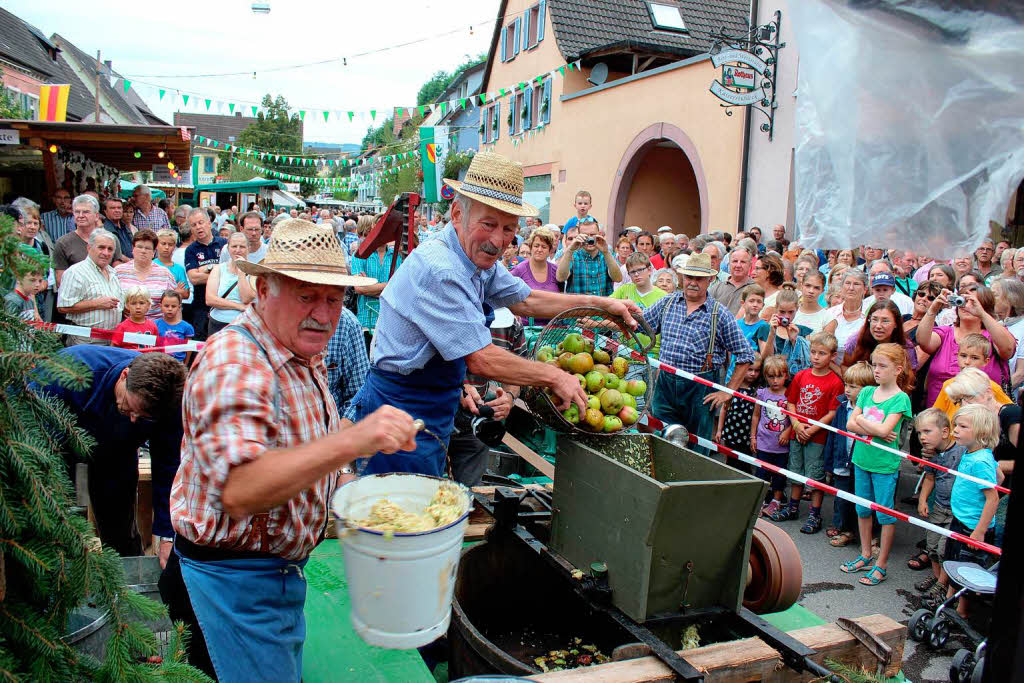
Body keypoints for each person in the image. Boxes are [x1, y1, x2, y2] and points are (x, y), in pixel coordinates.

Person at [165, 216, 419, 681]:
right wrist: (351, 442)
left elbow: (295, 442)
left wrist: (342, 476)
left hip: (271, 577)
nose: (324, 314)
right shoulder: (236, 360)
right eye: (306, 295)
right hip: (232, 585)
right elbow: (241, 489)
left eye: (334, 298)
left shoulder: (295, 350)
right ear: (263, 290)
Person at [345, 152, 638, 477]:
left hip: (437, 403)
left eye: (509, 229)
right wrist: (555, 376)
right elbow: (482, 359)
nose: (498, 241)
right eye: (488, 225)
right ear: (457, 214)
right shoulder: (441, 269)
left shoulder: (475, 258)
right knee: (398, 514)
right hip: (399, 410)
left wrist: (601, 305)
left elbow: (525, 301)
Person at [32, 347, 185, 557]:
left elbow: (169, 467)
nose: (133, 419)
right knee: (57, 524)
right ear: (124, 376)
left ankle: (124, 578)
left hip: (117, 456)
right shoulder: (66, 371)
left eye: (143, 417)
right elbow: (34, 446)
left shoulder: (170, 402)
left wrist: (166, 534)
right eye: (131, 408)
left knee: (120, 529)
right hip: (56, 448)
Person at [642, 253, 754, 443]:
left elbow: (745, 355)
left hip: (700, 390)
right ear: (682, 278)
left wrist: (728, 391)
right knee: (662, 440)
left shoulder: (719, 313)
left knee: (696, 445)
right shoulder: (667, 303)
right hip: (665, 384)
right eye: (689, 277)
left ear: (710, 280)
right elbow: (638, 325)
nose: (693, 282)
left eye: (699, 279)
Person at [840, 343, 914, 587]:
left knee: (884, 514)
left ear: (898, 369)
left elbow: (884, 429)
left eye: (883, 366)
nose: (877, 371)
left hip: (884, 464)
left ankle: (881, 565)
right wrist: (871, 427)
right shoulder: (866, 392)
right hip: (861, 458)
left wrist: (863, 421)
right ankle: (865, 554)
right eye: (875, 365)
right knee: (862, 509)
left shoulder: (901, 399)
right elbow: (850, 425)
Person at [770, 333, 844, 532]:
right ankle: (793, 507)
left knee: (815, 475)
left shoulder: (835, 382)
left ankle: (815, 514)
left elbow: (832, 412)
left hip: (817, 436)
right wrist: (795, 424)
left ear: (833, 356)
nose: (816, 357)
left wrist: (812, 429)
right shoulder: (802, 375)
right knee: (795, 470)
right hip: (797, 432)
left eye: (822, 353)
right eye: (813, 352)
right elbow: (791, 402)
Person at [942, 404, 1000, 616]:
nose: (955, 429)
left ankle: (962, 611)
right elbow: (999, 477)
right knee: (954, 562)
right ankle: (949, 600)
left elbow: (993, 498)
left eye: (962, 426)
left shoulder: (980, 461)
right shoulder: (973, 453)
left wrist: (980, 531)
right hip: (961, 519)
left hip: (973, 526)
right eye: (956, 424)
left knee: (966, 569)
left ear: (981, 432)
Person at [915, 284, 1017, 406]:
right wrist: (933, 308)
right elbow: (922, 341)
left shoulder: (994, 335)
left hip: (981, 415)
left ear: (985, 306)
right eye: (962, 301)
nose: (966, 306)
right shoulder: (945, 333)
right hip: (940, 414)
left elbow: (1008, 349)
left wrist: (982, 314)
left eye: (973, 302)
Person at [912, 408, 964, 599]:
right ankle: (937, 580)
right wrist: (923, 499)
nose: (922, 437)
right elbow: (930, 477)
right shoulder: (931, 454)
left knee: (944, 549)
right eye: (919, 433)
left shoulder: (960, 451)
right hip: (939, 507)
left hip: (956, 510)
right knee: (932, 545)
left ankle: (943, 584)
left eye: (927, 432)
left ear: (944, 432)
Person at [824, 362, 875, 548]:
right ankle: (844, 528)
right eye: (847, 385)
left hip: (861, 463)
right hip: (841, 461)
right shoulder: (842, 408)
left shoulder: (871, 411)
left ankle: (865, 534)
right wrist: (829, 463)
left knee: (862, 499)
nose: (848, 390)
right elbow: (833, 436)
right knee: (842, 498)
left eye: (854, 386)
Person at [56, 229, 124, 345]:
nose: (106, 253)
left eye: (110, 249)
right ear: (89, 248)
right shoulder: (76, 272)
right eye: (101, 247)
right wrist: (97, 304)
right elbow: (63, 307)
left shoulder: (113, 273)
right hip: (86, 341)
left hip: (111, 340)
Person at [53, 195, 123, 287]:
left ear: (96, 216)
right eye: (77, 212)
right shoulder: (63, 243)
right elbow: (61, 280)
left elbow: (118, 272)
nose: (81, 216)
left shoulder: (110, 239)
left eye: (86, 212)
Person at [753, 354, 792, 518]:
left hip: (781, 446)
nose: (775, 380)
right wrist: (753, 437)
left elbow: (793, 417)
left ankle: (776, 501)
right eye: (771, 376)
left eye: (779, 376)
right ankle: (760, 501)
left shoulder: (790, 394)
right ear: (765, 377)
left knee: (779, 476)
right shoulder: (762, 394)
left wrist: (788, 431)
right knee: (762, 474)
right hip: (763, 442)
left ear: (786, 376)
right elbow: (756, 415)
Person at [184, 208, 227, 340]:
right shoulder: (190, 250)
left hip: (224, 305)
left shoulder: (224, 244)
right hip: (201, 307)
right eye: (194, 225)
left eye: (201, 222)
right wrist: (218, 270)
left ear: (209, 223)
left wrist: (205, 268)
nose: (198, 227)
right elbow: (194, 279)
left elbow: (230, 274)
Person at [114, 229, 177, 320]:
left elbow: (174, 304)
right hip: (127, 327)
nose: (143, 251)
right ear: (133, 249)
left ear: (154, 252)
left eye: (147, 248)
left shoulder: (165, 274)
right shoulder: (118, 272)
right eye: (139, 247)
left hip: (156, 328)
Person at [714, 356, 761, 474]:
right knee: (730, 462)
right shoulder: (732, 387)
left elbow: (757, 416)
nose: (753, 374)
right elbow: (724, 409)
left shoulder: (757, 391)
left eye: (756, 370)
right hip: (730, 433)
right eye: (750, 370)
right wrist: (719, 430)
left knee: (745, 465)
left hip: (746, 435)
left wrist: (753, 436)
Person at [350, 230, 402, 337]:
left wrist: (369, 287)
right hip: (366, 320)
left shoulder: (396, 256)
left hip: (390, 321)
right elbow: (359, 288)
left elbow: (399, 290)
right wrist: (389, 285)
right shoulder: (360, 254)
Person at [842, 300, 918, 373]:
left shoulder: (906, 347)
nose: (878, 326)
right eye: (874, 320)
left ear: (896, 324)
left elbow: (909, 379)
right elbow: (845, 367)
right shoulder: (856, 340)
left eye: (885, 321)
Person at [206, 232, 257, 336]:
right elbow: (210, 299)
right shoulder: (218, 269)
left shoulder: (255, 272)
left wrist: (241, 271)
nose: (238, 250)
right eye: (234, 246)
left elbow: (246, 298)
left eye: (242, 247)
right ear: (228, 248)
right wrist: (239, 306)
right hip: (217, 324)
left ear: (248, 248)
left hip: (242, 325)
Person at [556, 218, 622, 295]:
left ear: (599, 235)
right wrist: (569, 250)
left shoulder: (606, 254)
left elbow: (618, 278)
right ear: (579, 236)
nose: (589, 239)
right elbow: (560, 278)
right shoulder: (573, 255)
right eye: (586, 235)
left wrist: (606, 252)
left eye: (592, 235)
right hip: (579, 306)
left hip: (602, 306)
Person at [510, 226, 561, 318]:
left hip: (552, 327)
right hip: (526, 327)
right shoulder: (519, 270)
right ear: (531, 247)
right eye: (536, 246)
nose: (539, 250)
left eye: (544, 247)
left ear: (550, 250)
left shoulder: (556, 270)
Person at [760, 289, 811, 375]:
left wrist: (795, 341)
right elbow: (765, 359)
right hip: (770, 379)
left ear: (797, 309)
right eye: (782, 312)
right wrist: (771, 334)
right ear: (776, 308)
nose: (786, 316)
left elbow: (806, 362)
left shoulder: (803, 331)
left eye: (791, 312)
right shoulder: (765, 329)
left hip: (795, 381)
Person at [823, 270, 869, 364]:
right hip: (832, 369)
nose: (851, 288)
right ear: (842, 287)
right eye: (847, 283)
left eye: (856, 284)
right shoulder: (830, 314)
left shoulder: (870, 314)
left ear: (865, 289)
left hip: (862, 372)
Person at [710, 245, 755, 314]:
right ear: (729, 264)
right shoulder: (716, 288)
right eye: (735, 261)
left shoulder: (755, 289)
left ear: (750, 265)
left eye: (743, 262)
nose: (738, 265)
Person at [155, 290, 195, 364]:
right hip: (158, 363)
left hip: (178, 364)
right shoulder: (155, 324)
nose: (170, 309)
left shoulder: (187, 327)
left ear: (179, 307)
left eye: (173, 306)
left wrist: (185, 364)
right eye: (166, 306)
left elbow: (189, 348)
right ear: (161, 306)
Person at [155, 229, 191, 302]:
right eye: (163, 244)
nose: (167, 247)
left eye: (170, 244)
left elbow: (186, 294)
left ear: (174, 246)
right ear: (156, 245)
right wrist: (174, 290)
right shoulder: (152, 265)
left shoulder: (179, 269)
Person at [753, 254, 785, 318]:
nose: (753, 272)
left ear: (769, 271)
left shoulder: (779, 299)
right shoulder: (751, 294)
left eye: (757, 269)